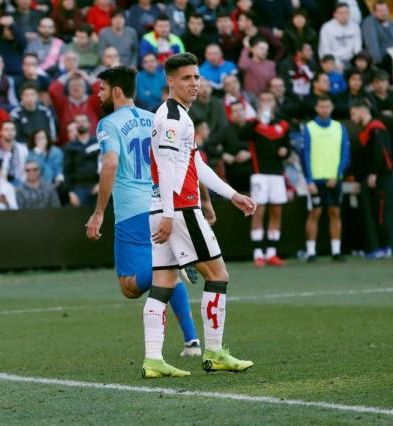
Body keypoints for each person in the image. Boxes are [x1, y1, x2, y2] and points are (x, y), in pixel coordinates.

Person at [144, 53, 257, 378]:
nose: (194, 83)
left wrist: (231, 194)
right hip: (177, 209)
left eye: (196, 77)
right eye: (186, 78)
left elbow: (195, 164)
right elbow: (166, 169)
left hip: (163, 208)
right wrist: (169, 213)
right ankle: (215, 352)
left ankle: (153, 360)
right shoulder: (172, 119)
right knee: (218, 275)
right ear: (170, 81)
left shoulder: (178, 116)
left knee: (163, 282)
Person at [85, 66, 201, 359]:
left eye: (101, 89)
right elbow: (187, 159)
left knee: (130, 287)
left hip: (133, 213)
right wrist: (205, 202)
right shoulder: (155, 119)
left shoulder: (108, 124)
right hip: (163, 207)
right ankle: (192, 342)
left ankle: (175, 263)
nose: (98, 95)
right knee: (165, 274)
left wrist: (99, 212)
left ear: (116, 91)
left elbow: (110, 163)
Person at [242, 92, 291, 267]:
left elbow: (288, 146)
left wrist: (286, 150)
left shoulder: (283, 124)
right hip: (259, 174)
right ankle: (258, 253)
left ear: (275, 102)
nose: (266, 102)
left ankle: (271, 253)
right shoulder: (253, 124)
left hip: (277, 174)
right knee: (259, 211)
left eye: (269, 99)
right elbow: (244, 134)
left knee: (276, 211)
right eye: (263, 99)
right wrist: (257, 119)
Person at [302, 96, 350, 262]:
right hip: (316, 180)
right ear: (316, 108)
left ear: (332, 108)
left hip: (334, 179)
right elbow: (305, 155)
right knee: (315, 213)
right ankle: (310, 252)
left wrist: (337, 175)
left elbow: (345, 154)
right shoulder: (309, 128)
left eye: (327, 106)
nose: (324, 109)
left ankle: (336, 251)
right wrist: (309, 180)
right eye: (321, 106)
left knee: (335, 212)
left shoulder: (339, 127)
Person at [349, 102, 393, 259]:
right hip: (373, 178)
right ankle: (377, 247)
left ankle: (387, 247)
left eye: (353, 114)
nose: (352, 119)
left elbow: (381, 153)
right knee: (374, 212)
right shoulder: (367, 130)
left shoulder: (376, 128)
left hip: (381, 177)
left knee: (382, 212)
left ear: (361, 111)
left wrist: (374, 173)